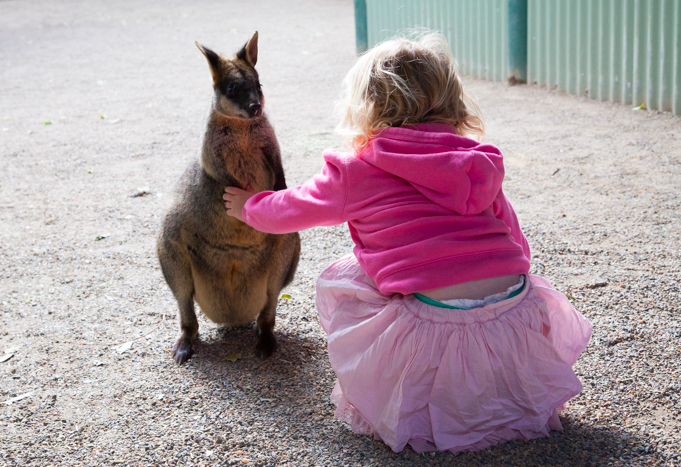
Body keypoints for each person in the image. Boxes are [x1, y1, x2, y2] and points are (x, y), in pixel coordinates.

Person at [223, 32, 592, 454]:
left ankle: (406, 399)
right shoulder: (474, 162)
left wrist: (251, 206)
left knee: (346, 276)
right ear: (449, 99)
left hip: (429, 324)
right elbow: (513, 235)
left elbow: (295, 208)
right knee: (469, 299)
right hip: (513, 309)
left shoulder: (356, 170)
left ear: (367, 107)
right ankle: (497, 393)